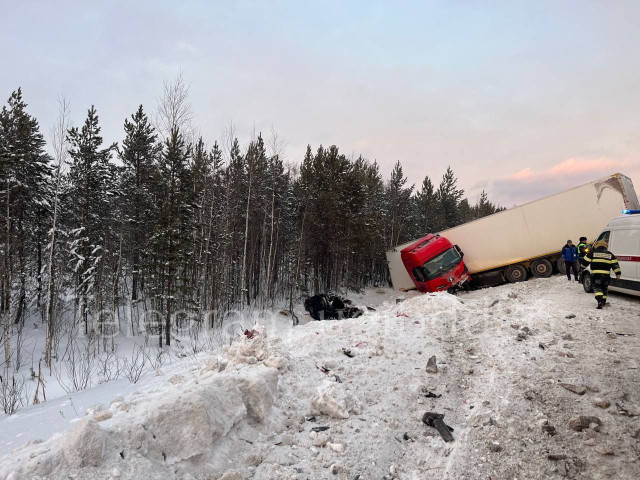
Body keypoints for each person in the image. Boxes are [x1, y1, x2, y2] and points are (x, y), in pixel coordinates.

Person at [581, 240, 621, 309]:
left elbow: (585, 261)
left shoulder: (592, 253)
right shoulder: (610, 254)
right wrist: (618, 273)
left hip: (596, 274)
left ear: (597, 245)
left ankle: (599, 300)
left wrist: (582, 268)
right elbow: (615, 264)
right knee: (604, 288)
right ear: (606, 246)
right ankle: (603, 301)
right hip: (606, 275)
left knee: (597, 287)